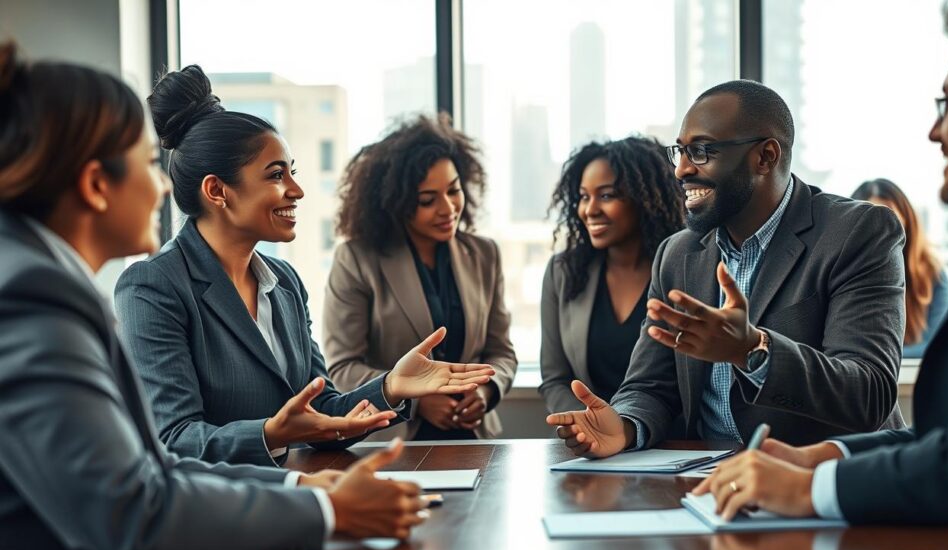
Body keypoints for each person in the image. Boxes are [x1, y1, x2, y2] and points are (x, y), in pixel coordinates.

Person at [0, 42, 442, 550]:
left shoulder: (281, 280)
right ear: (96, 185)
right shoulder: (37, 296)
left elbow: (154, 468)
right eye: (145, 163)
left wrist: (308, 476)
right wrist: (326, 509)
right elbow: (137, 507)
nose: (163, 184)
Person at [694, 0, 948, 550]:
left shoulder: (864, 232)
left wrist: (807, 488)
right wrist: (823, 458)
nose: (934, 130)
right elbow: (945, 435)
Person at [115, 66, 495, 466]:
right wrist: (271, 433)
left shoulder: (284, 283)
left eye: (292, 172)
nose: (296, 190)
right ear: (217, 191)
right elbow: (172, 440)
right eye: (277, 175)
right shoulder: (152, 286)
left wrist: (393, 386)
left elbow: (323, 407)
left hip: (292, 499)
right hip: (213, 516)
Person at [547, 80, 907, 455]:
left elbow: (870, 393)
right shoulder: (677, 254)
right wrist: (624, 426)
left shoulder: (857, 232)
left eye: (701, 151)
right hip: (705, 476)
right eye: (680, 152)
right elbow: (650, 386)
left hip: (816, 481)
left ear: (765, 157)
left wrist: (754, 350)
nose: (681, 170)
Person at [323, 114, 517, 440]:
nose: (447, 208)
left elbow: (501, 351)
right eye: (427, 200)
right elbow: (342, 368)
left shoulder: (485, 254)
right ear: (395, 203)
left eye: (454, 190)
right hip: (394, 443)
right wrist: (415, 400)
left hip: (475, 440)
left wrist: (485, 392)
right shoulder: (356, 259)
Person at [540, 136, 683, 414]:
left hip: (671, 441)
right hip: (593, 442)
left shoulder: (682, 271)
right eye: (584, 197)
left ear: (644, 200)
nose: (590, 210)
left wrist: (632, 428)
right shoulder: (563, 273)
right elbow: (555, 379)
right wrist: (591, 425)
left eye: (606, 195)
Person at [851, 179, 948, 358]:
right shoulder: (842, 275)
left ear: (907, 219)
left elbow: (939, 344)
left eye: (891, 216)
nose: (882, 229)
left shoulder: (933, 273)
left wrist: (877, 360)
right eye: (871, 220)